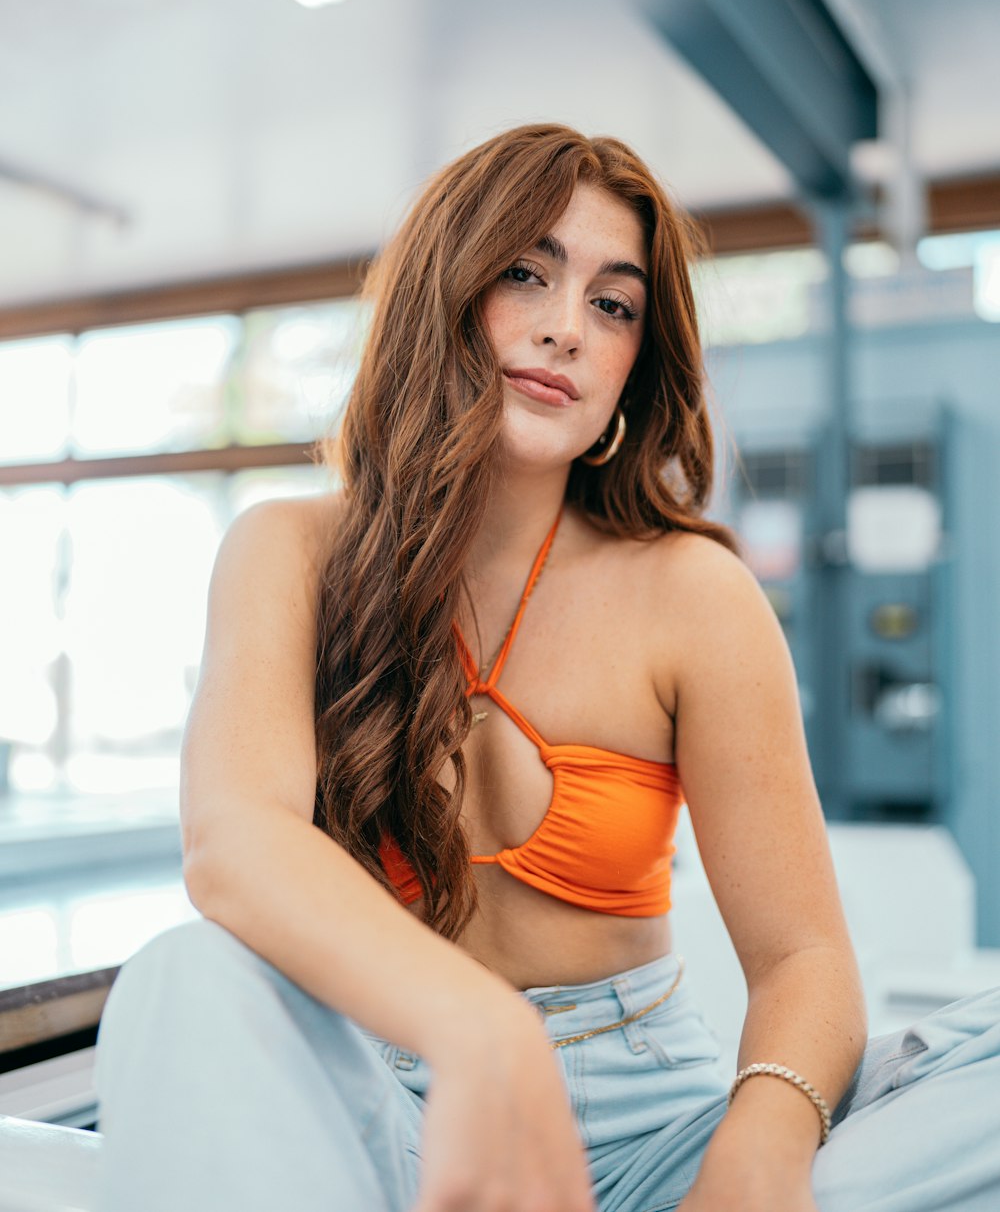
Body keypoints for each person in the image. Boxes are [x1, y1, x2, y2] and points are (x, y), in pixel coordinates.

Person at [93, 124, 1000, 1212]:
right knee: (180, 978)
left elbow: (805, 958)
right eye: (525, 272)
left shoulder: (692, 594)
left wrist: (758, 1157)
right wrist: (478, 1029)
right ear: (447, 287)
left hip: (655, 1135)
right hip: (380, 1111)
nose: (565, 328)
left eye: (613, 305)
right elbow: (235, 845)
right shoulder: (292, 550)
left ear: (633, 363)